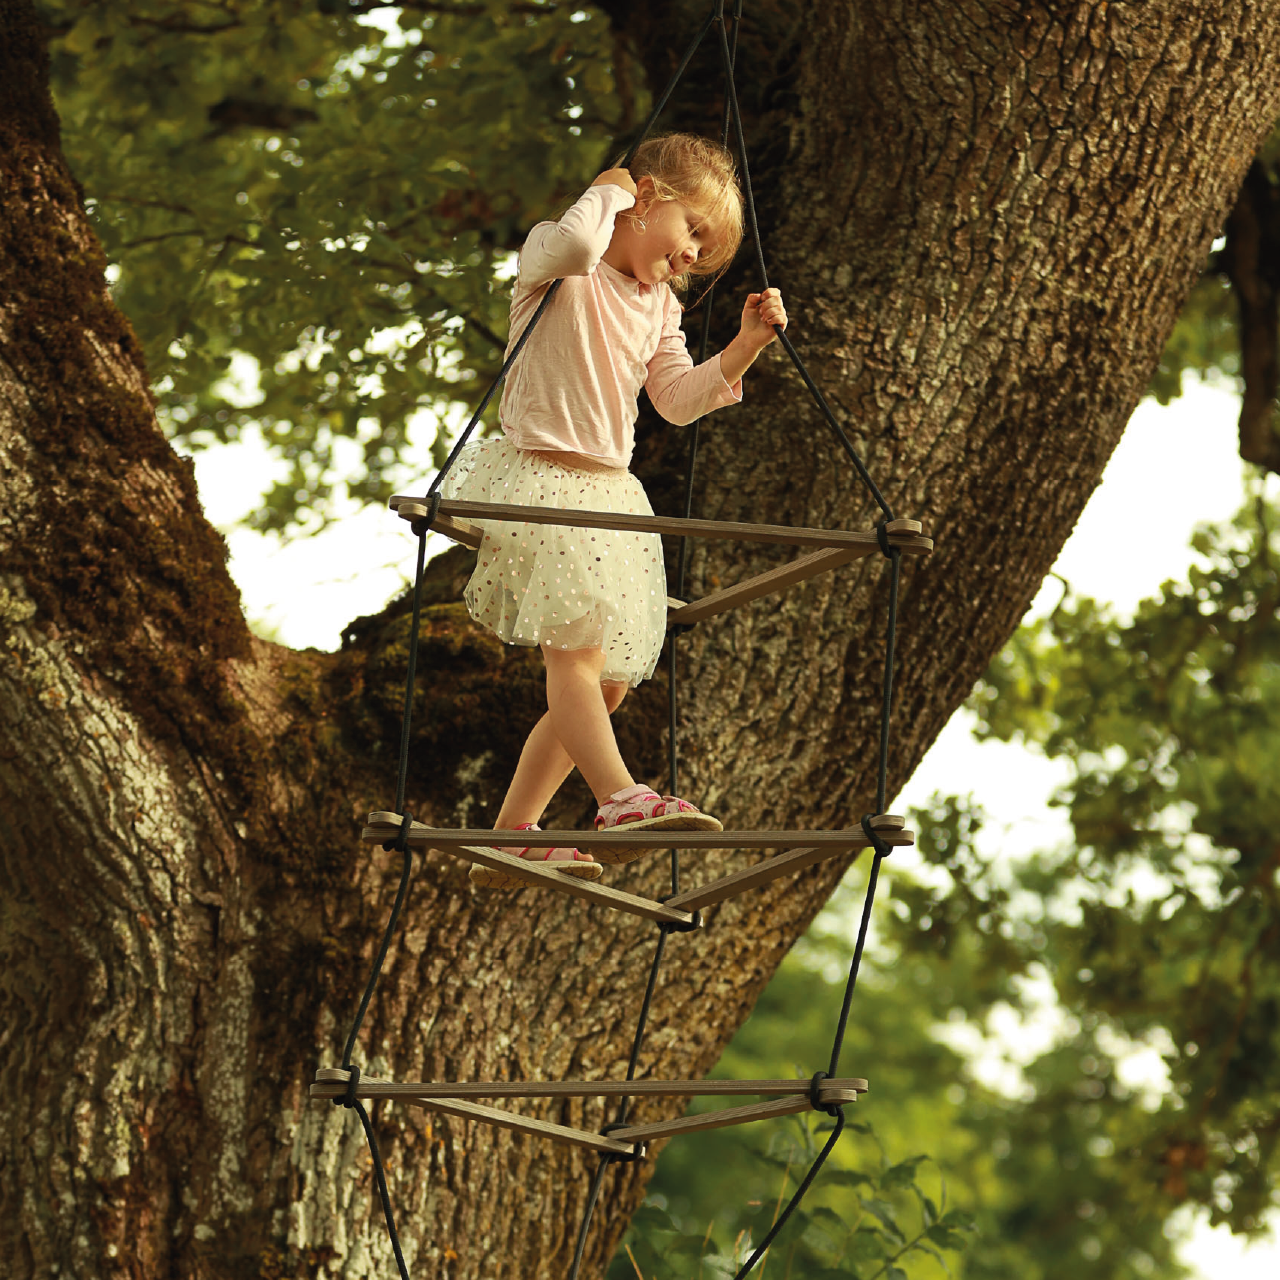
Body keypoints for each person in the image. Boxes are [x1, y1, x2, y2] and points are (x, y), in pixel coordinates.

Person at [439, 133, 787, 887]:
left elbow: (674, 397)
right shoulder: (557, 259)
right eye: (692, 230)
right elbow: (573, 249)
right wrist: (609, 189)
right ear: (648, 197)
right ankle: (620, 798)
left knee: (607, 682)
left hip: (609, 493)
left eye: (708, 249)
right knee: (576, 654)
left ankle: (513, 832)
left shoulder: (658, 306)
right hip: (542, 480)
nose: (694, 254)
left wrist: (743, 348)